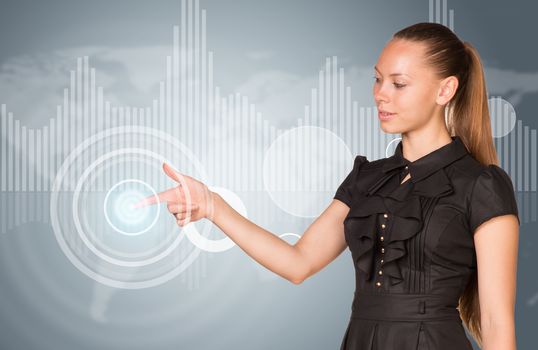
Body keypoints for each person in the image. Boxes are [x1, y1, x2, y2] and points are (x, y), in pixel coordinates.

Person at [135, 22, 520, 350]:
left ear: (445, 90)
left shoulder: (481, 184)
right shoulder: (367, 178)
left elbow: (496, 320)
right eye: (378, 79)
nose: (380, 94)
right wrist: (213, 205)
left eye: (399, 84)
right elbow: (298, 263)